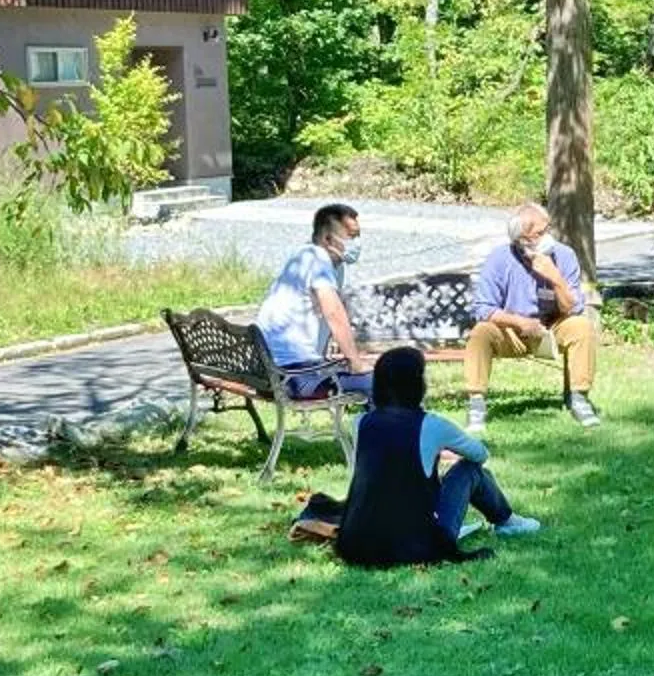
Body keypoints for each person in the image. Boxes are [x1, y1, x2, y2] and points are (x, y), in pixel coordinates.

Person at [334, 346, 539, 567]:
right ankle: (506, 520)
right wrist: (444, 449)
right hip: (416, 543)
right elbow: (480, 454)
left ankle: (504, 521)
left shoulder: (360, 423)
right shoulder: (431, 424)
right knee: (469, 470)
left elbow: (385, 470)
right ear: (417, 383)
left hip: (359, 541)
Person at [463, 202, 602, 431]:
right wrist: (520, 322)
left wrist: (555, 278)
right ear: (522, 239)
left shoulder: (564, 255)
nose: (547, 237)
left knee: (581, 326)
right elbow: (483, 308)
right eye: (539, 233)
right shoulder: (499, 258)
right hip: (512, 331)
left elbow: (573, 308)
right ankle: (476, 404)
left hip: (553, 327)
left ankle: (579, 399)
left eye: (547, 229)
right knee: (481, 332)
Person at [256, 202, 374, 400]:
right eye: (351, 236)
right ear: (327, 239)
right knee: (381, 383)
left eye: (358, 236)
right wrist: (355, 362)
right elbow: (333, 313)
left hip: (266, 374)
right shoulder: (317, 258)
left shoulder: (305, 257)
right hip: (292, 377)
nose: (356, 243)